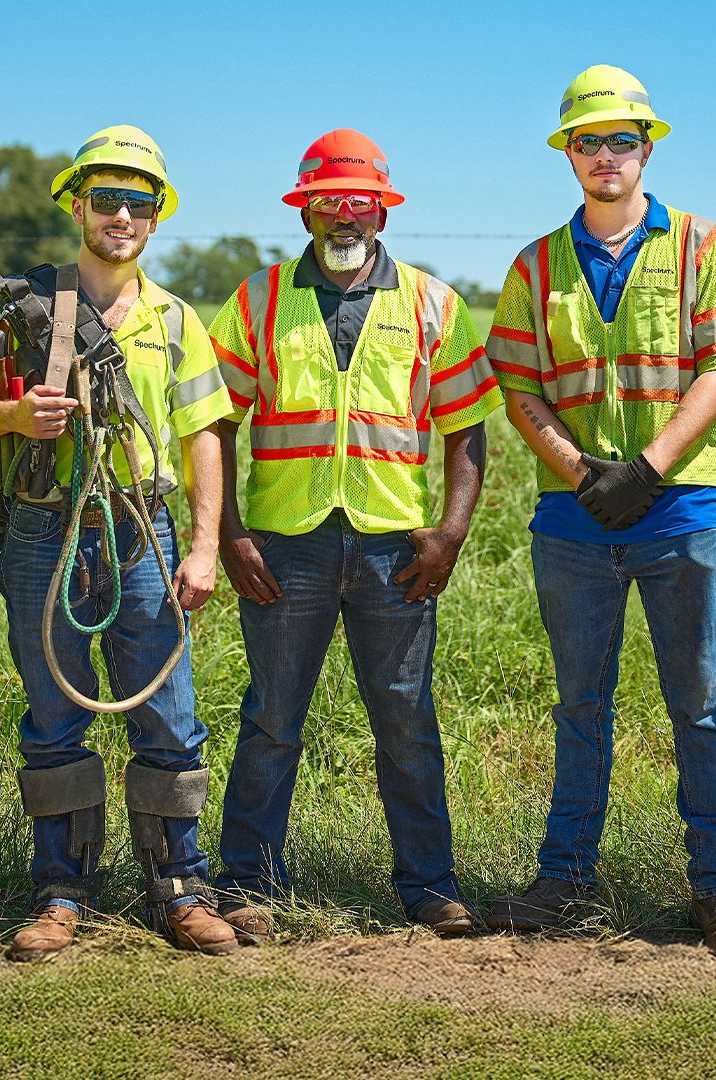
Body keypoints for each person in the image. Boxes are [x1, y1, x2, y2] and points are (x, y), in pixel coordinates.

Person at [482, 66, 716, 963]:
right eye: (587, 141)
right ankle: (566, 875)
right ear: (567, 153)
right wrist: (582, 473)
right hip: (575, 518)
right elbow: (520, 385)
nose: (604, 155)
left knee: (700, 703)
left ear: (647, 149)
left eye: (621, 140)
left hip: (678, 506)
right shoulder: (536, 263)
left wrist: (647, 468)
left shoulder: (701, 245)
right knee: (581, 705)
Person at [0, 126, 238, 961]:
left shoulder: (177, 319)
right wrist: (10, 415)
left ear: (157, 216)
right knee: (52, 724)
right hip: (44, 532)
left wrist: (204, 546)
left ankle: (182, 888)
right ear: (76, 205)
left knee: (169, 721)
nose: (122, 215)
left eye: (139, 203)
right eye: (106, 199)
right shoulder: (24, 308)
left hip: (143, 529)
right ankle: (60, 894)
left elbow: (204, 434)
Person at [207, 129, 503, 940]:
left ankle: (430, 887)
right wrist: (230, 534)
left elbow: (468, 429)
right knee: (272, 719)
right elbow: (214, 425)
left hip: (393, 550)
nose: (345, 216)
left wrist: (448, 533)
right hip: (284, 546)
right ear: (304, 210)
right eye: (328, 201)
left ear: (383, 210)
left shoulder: (434, 303)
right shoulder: (257, 300)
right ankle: (249, 886)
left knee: (407, 720)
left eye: (359, 201)